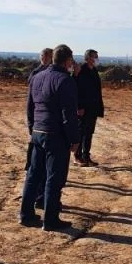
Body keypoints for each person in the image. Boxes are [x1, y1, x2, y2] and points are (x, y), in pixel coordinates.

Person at [19, 44, 80, 231]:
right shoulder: (65, 80)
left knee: (33, 175)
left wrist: (32, 129)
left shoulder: (36, 77)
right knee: (54, 178)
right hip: (56, 136)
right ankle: (51, 220)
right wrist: (75, 139)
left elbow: (30, 107)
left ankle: (26, 215)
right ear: (68, 60)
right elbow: (68, 114)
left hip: (38, 132)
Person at [23, 48, 53, 174]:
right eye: (42, 55)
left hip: (47, 112)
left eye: (46, 56)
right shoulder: (36, 72)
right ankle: (30, 166)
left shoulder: (53, 72)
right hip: (36, 111)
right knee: (34, 142)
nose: (43, 58)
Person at [74, 48, 104, 167]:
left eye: (97, 57)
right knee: (80, 133)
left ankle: (86, 157)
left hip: (93, 108)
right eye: (94, 57)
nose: (96, 59)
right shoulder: (81, 71)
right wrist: (79, 107)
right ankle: (77, 156)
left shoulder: (94, 71)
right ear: (88, 58)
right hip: (83, 109)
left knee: (89, 133)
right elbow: (76, 90)